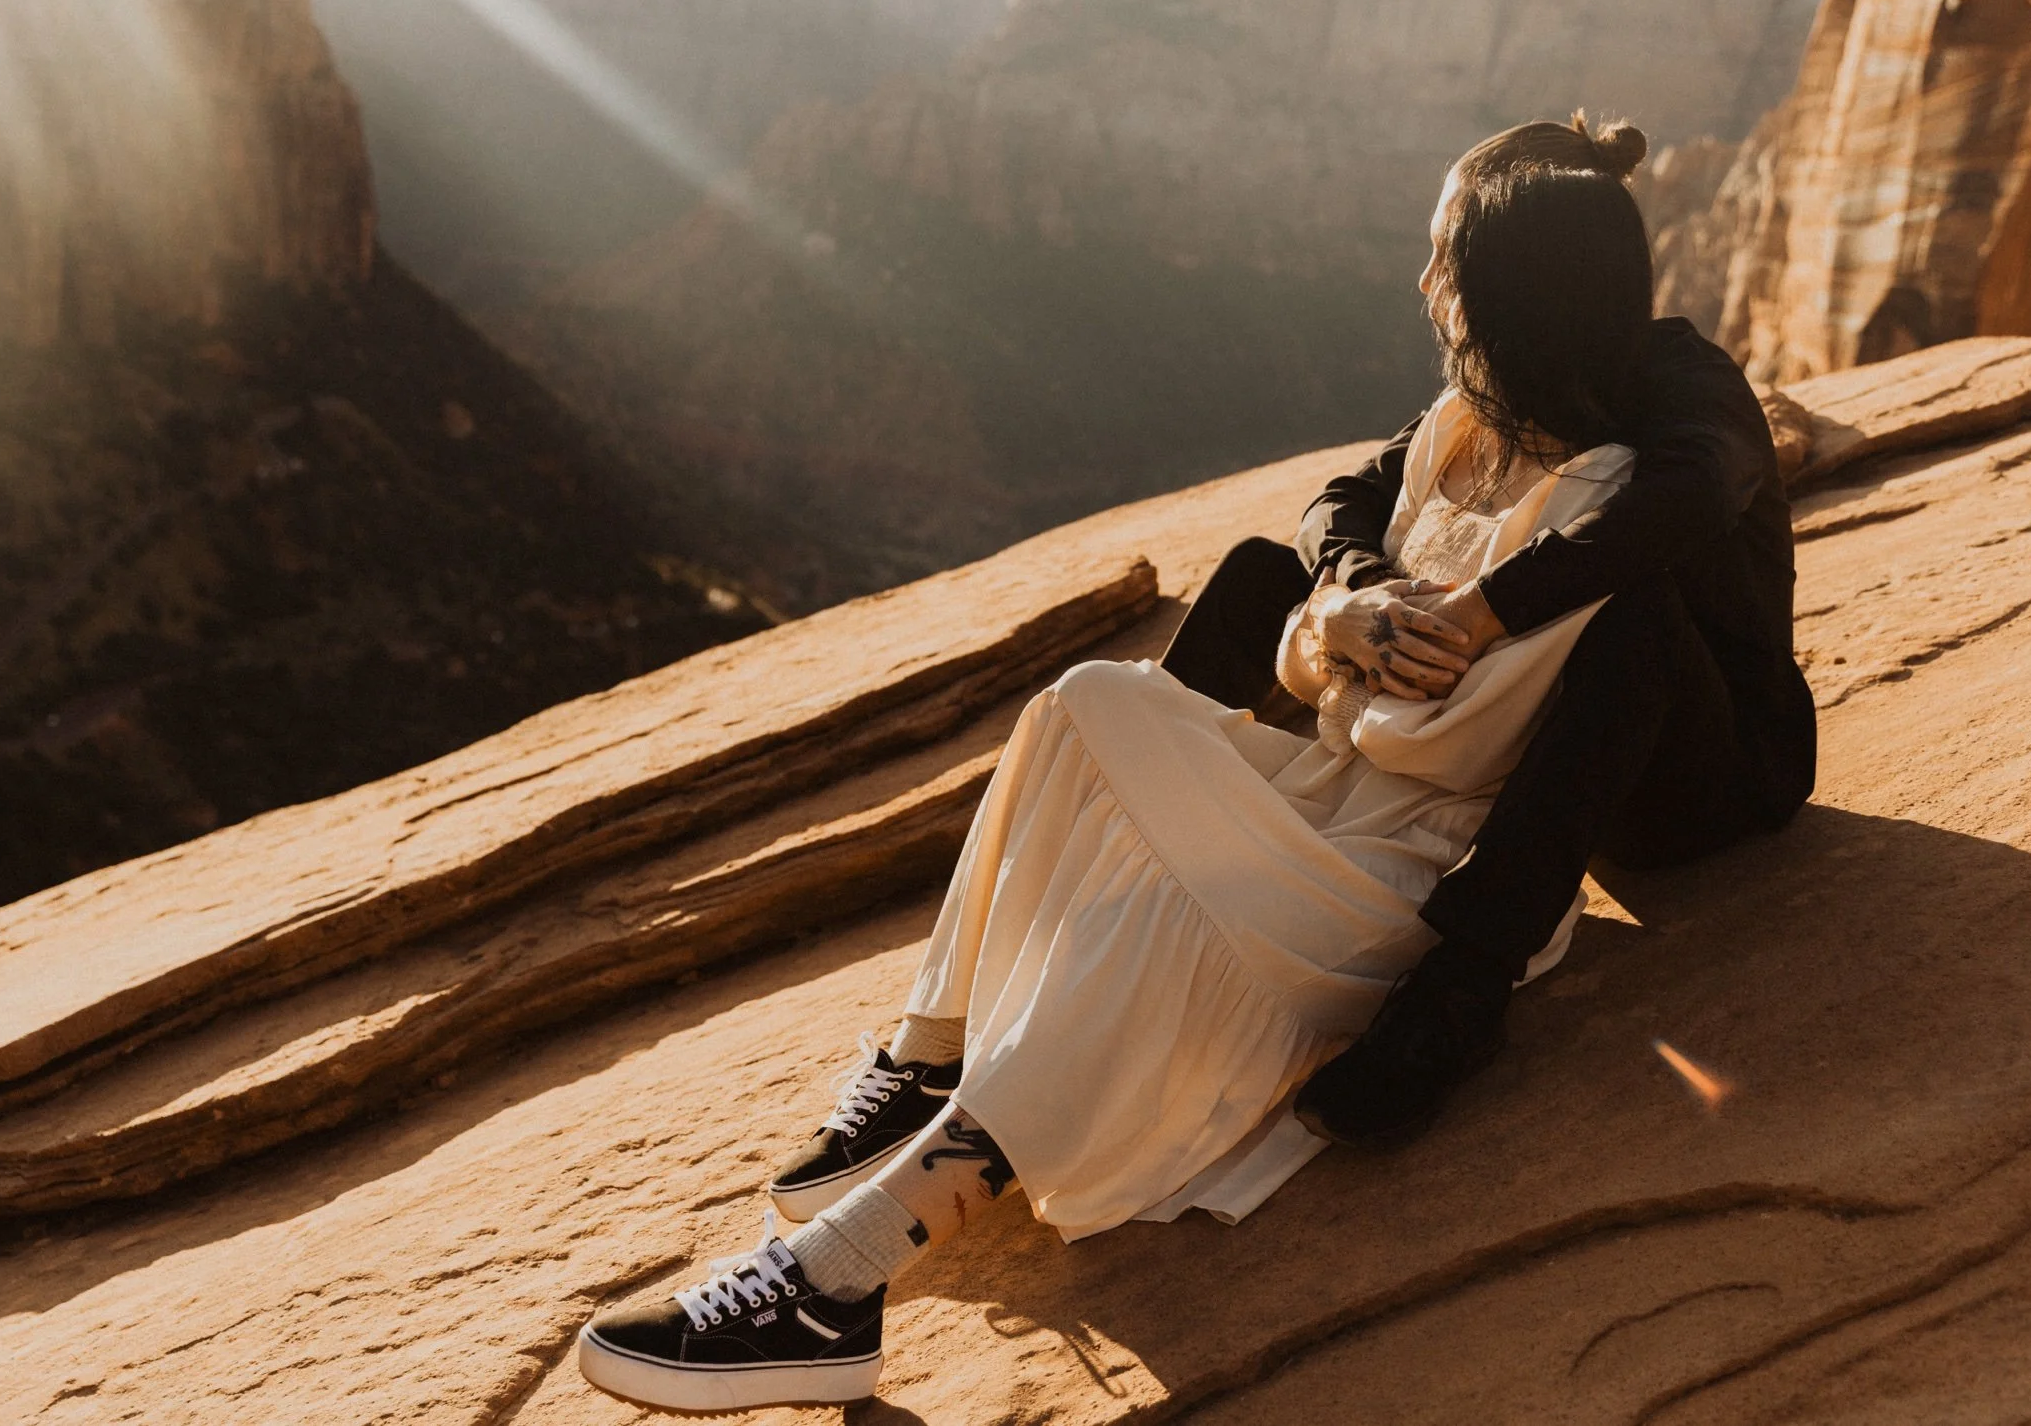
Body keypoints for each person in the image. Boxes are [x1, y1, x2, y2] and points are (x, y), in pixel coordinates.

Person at [572, 114, 1816, 1414]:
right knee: (1117, 682)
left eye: (1441, 263)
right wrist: (1348, 600)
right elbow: (1338, 501)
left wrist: (1476, 615)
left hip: (1697, 768)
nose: (1419, 286)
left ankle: (1456, 992)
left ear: (1512, 296)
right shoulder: (1478, 419)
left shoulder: (1680, 403)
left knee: (1636, 618)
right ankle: (930, 1046)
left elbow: (1675, 501)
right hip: (1444, 754)